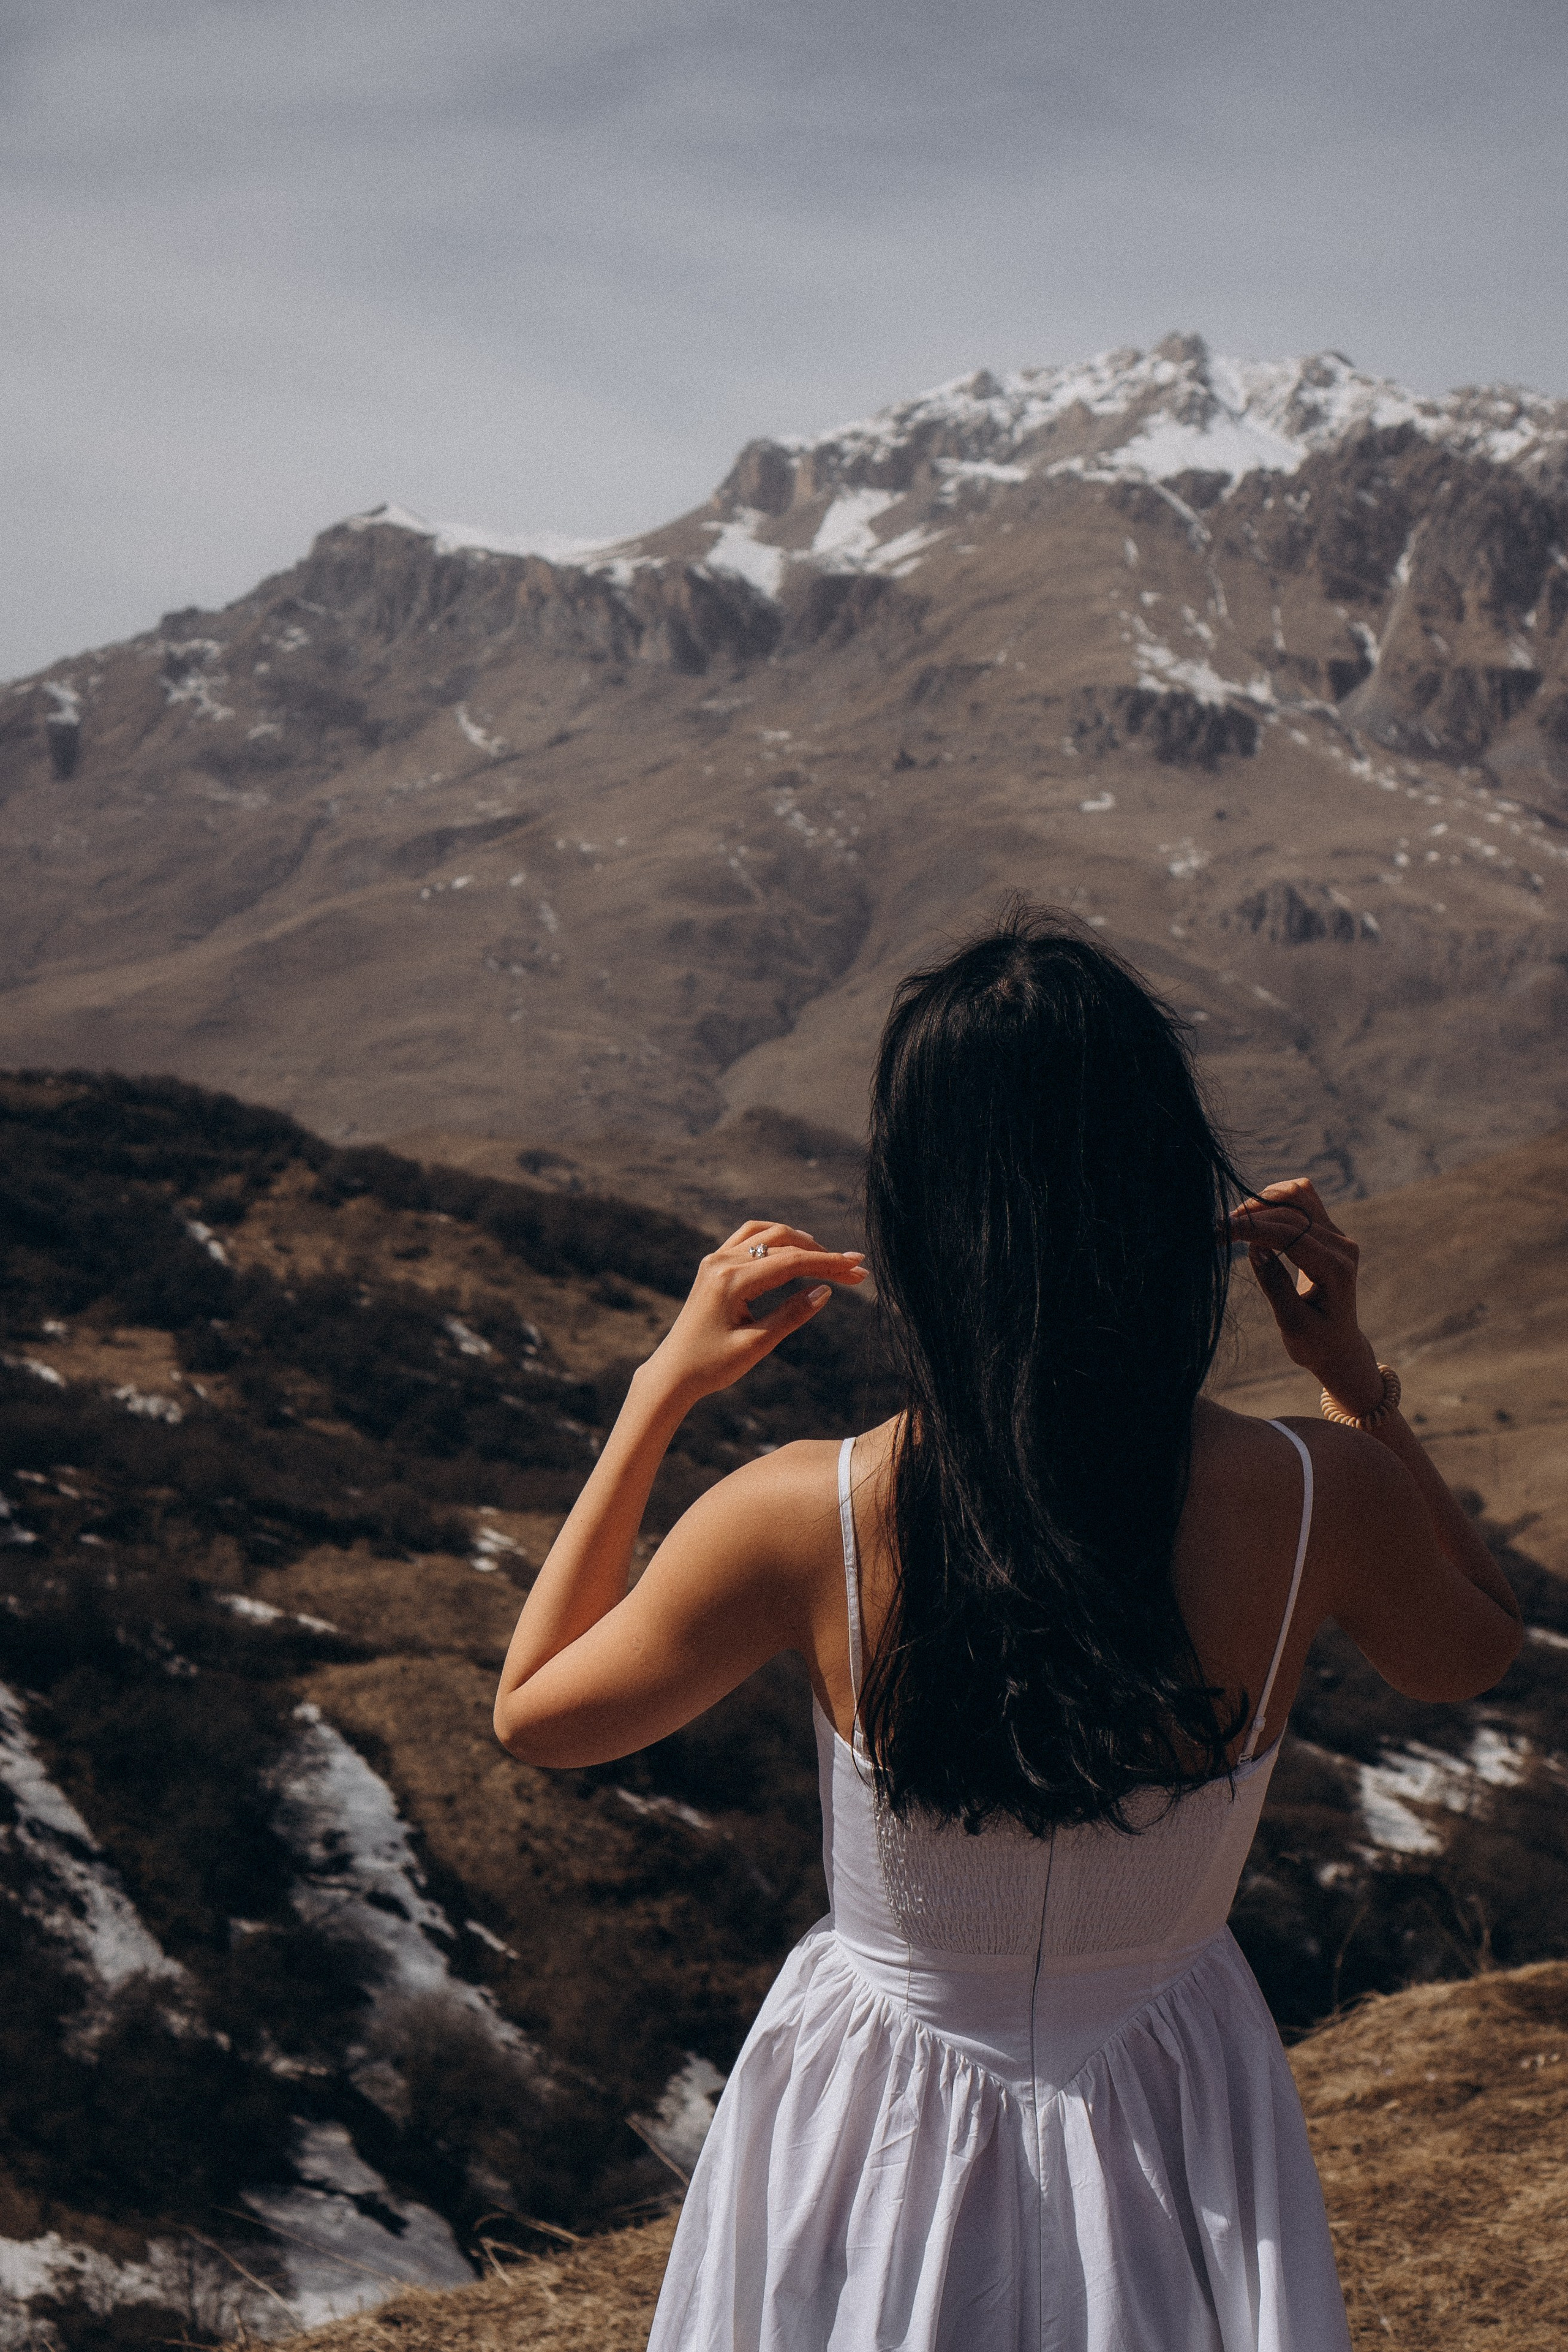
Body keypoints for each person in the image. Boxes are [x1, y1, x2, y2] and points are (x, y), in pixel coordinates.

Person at [493, 911, 1521, 2351]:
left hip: (867, 2123)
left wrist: (657, 1391)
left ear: (918, 1213)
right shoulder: (1315, 1495)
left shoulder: (804, 1511)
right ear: (1175, 1191)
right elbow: (1478, 1642)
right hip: (1174, 2099)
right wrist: (1355, 1385)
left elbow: (534, 1712)